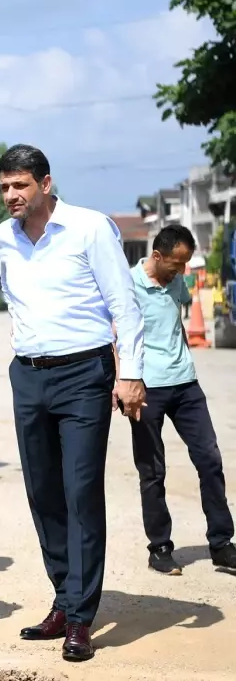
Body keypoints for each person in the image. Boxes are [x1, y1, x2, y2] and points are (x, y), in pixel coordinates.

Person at [0, 145, 145, 663]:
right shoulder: (3, 238)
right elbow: (13, 296)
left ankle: (80, 617)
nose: (12, 196)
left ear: (46, 184)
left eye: (21, 186)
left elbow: (125, 304)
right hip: (29, 377)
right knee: (43, 493)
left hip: (84, 374)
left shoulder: (89, 228)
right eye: (6, 187)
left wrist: (131, 374)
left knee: (81, 492)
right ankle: (63, 596)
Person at [127, 224, 236, 575]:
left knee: (210, 459)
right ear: (156, 256)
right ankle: (159, 547)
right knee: (152, 470)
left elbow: (178, 321)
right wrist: (123, 382)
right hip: (146, 389)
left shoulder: (176, 283)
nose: (182, 272)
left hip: (186, 384)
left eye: (186, 264)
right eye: (177, 263)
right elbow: (114, 335)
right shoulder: (128, 284)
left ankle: (221, 544)